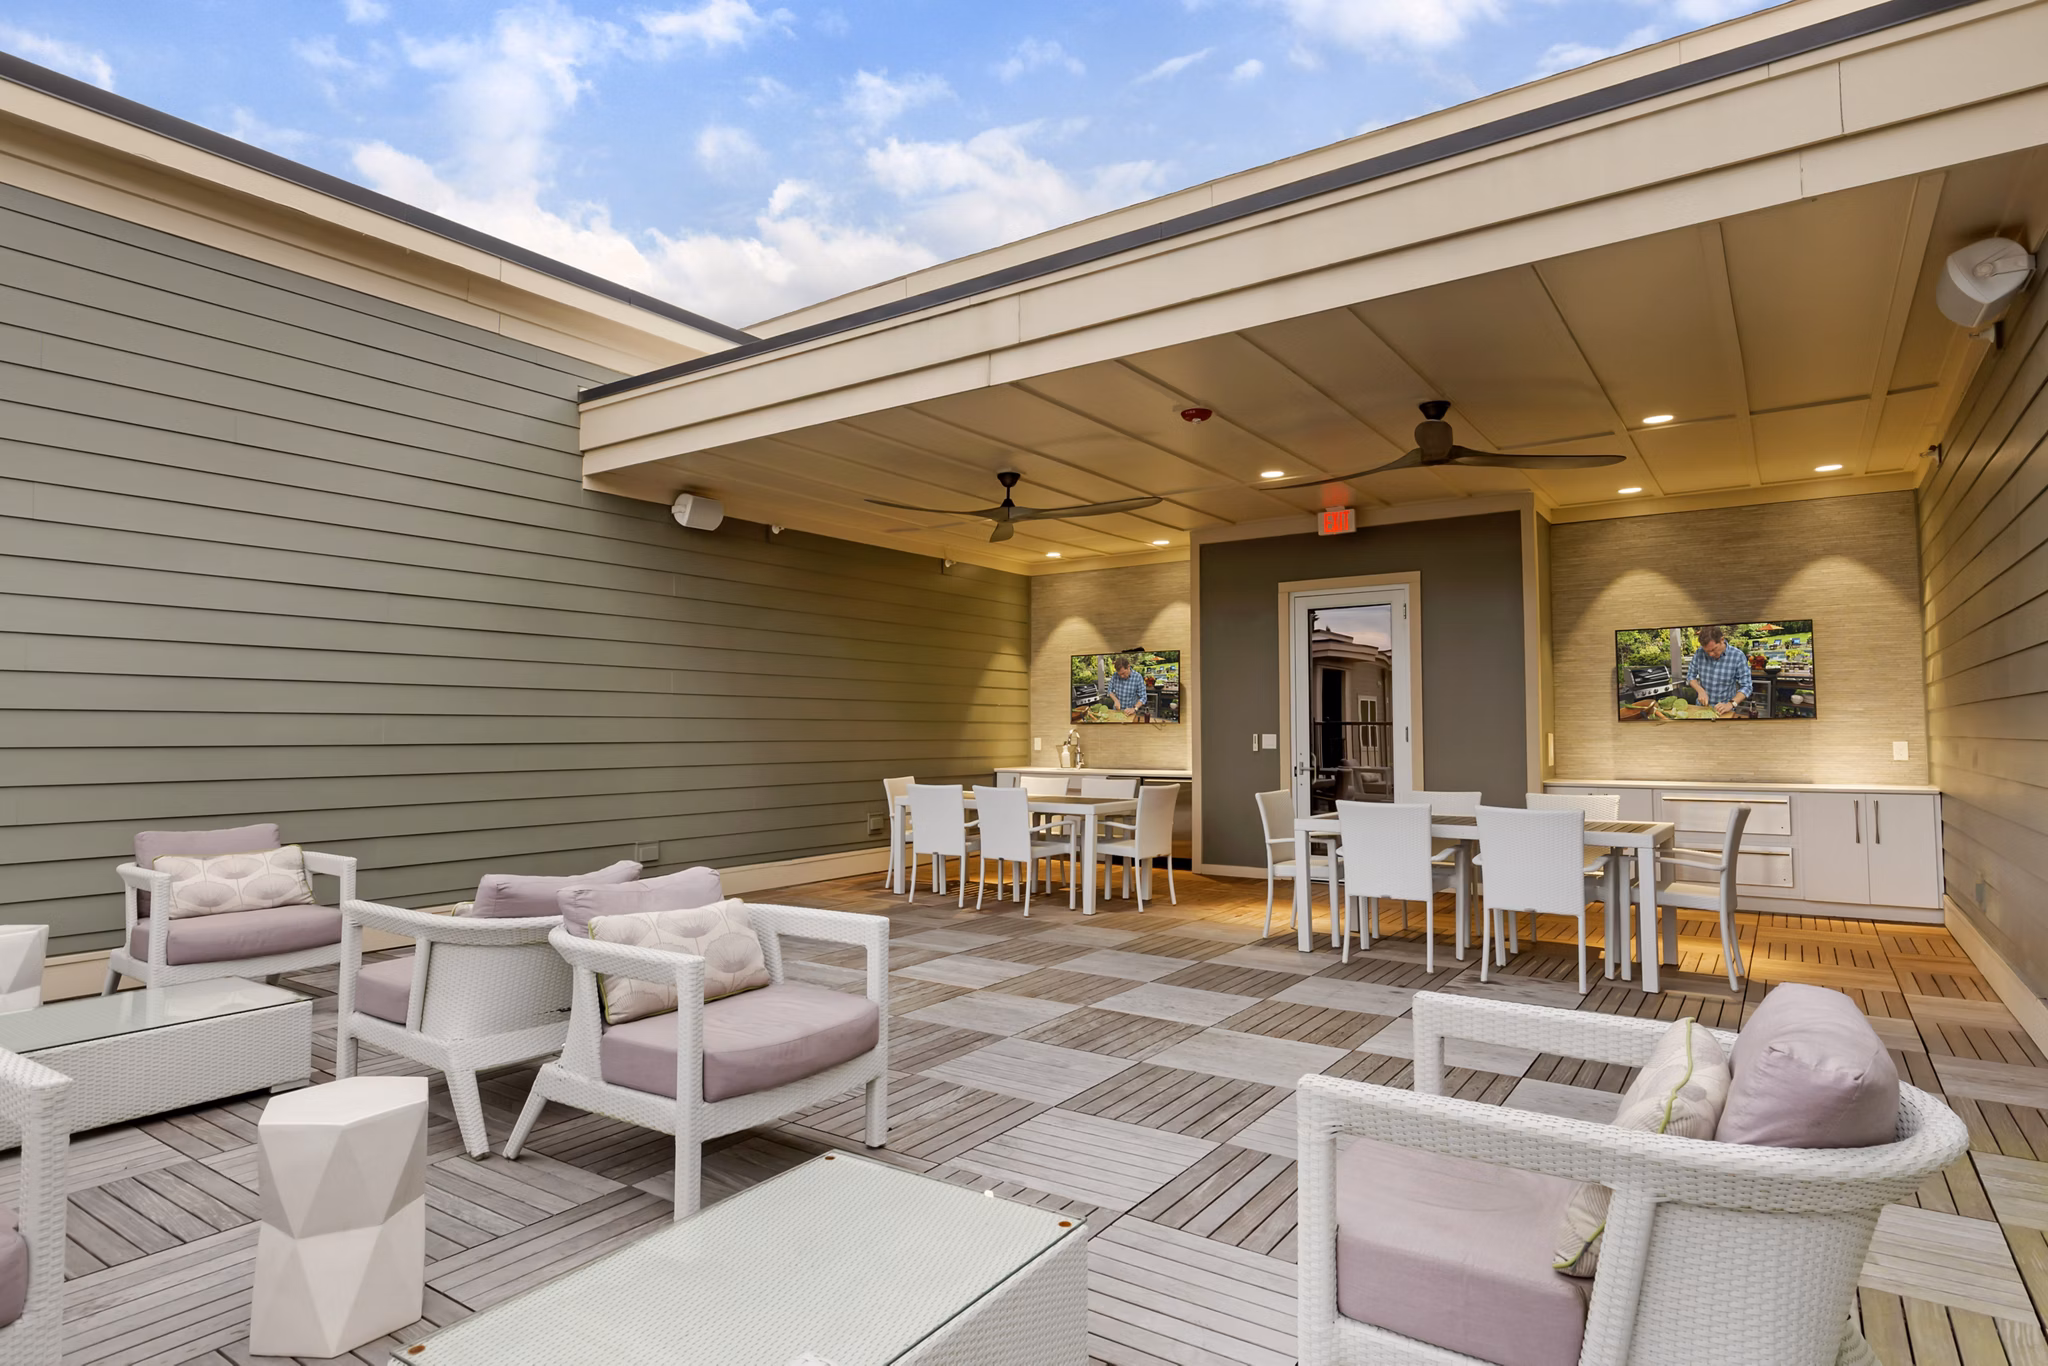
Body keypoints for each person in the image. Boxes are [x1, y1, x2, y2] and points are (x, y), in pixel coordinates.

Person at [1685, 626, 1753, 717]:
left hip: (1725, 711)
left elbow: (1747, 686)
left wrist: (1731, 704)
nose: (1711, 654)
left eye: (1713, 649)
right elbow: (1690, 677)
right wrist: (1700, 690)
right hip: (1701, 708)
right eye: (1707, 651)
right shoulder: (1699, 653)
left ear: (1722, 640)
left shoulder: (1738, 656)